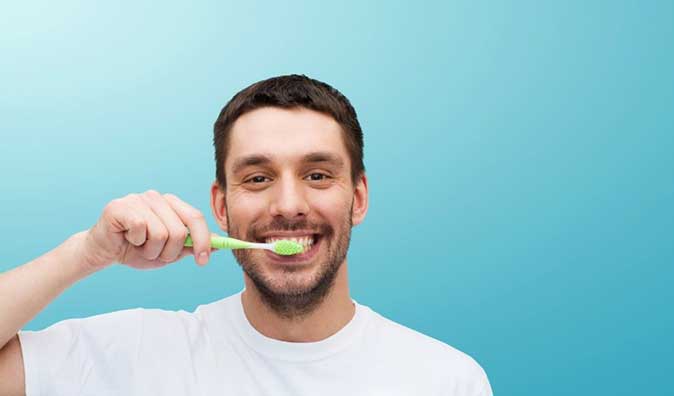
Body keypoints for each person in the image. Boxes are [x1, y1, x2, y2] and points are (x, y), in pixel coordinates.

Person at [0, 74, 493, 395]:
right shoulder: (132, 354)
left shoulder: (445, 379)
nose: (288, 205)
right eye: (258, 178)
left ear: (358, 198)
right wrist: (85, 253)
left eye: (317, 175)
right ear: (221, 206)